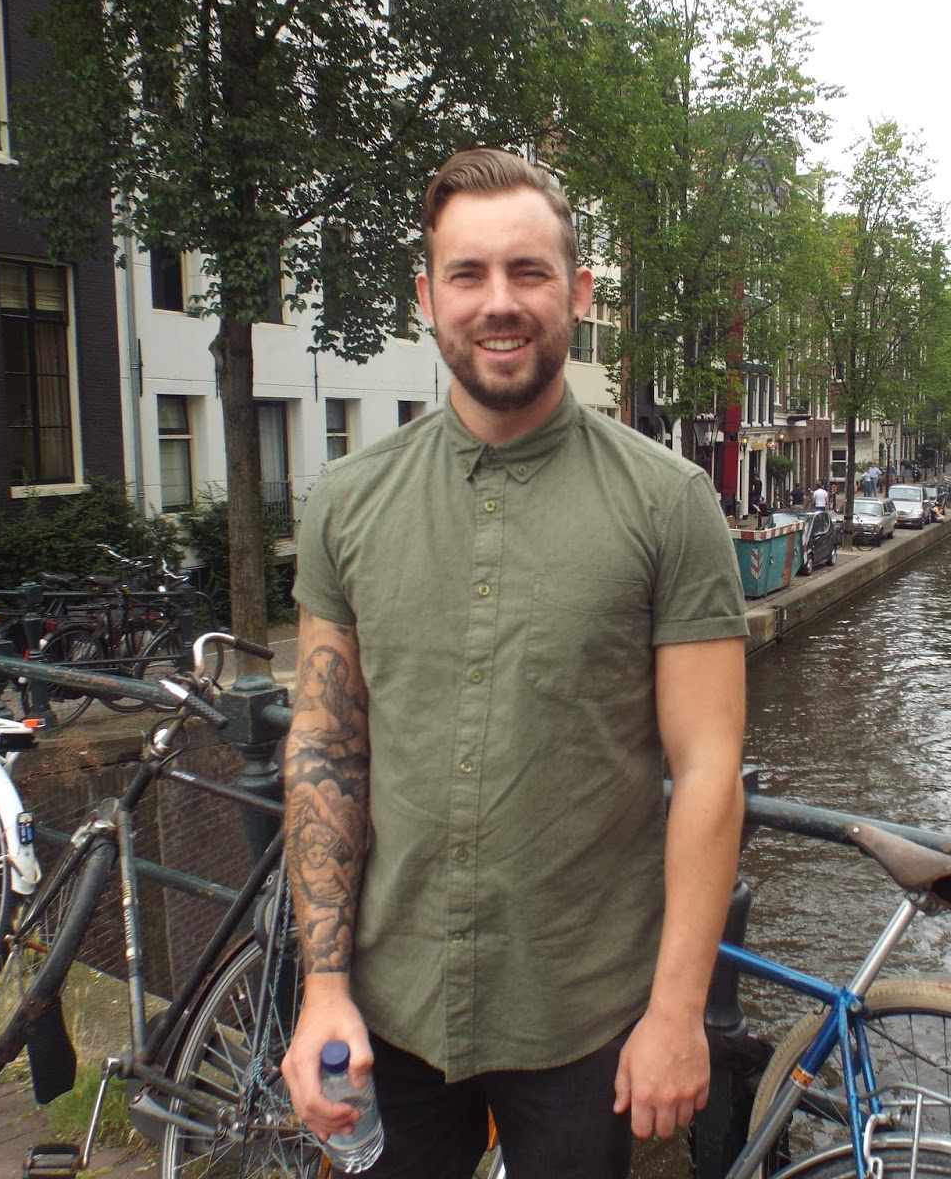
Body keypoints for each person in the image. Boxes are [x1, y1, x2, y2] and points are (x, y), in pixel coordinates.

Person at [280, 148, 748, 1179]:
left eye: (529, 272)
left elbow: (708, 768)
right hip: (391, 1004)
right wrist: (323, 988)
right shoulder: (349, 502)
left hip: (583, 1017)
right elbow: (325, 747)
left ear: (577, 292)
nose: (499, 302)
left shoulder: (670, 506)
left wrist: (677, 1012)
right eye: (469, 274)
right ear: (426, 299)